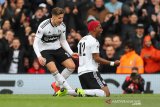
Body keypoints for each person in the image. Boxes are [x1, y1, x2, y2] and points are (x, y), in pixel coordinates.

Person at [55, 20, 120, 97]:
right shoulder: (94, 41)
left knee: (90, 96)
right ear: (94, 28)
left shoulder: (82, 40)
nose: (102, 30)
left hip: (81, 72)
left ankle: (67, 92)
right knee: (106, 93)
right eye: (100, 27)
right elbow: (96, 58)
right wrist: (113, 63)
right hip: (91, 71)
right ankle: (71, 91)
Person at [33, 7, 78, 92]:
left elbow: (63, 41)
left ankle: (56, 84)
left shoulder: (62, 26)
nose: (61, 20)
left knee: (72, 66)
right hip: (45, 50)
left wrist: (71, 53)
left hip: (57, 48)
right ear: (53, 17)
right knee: (54, 69)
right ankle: (70, 90)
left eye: (62, 17)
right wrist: (39, 56)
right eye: (59, 18)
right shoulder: (43, 26)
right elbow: (35, 43)